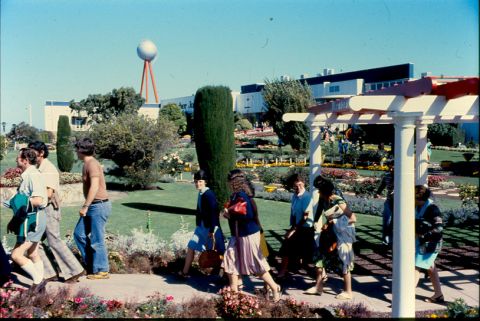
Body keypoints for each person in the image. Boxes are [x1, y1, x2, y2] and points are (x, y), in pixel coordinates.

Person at [28, 141, 86, 283]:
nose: (29, 154)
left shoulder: (48, 168)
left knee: (54, 240)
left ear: (41, 153)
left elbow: (48, 193)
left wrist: (28, 199)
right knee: (32, 241)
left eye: (32, 151)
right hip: (40, 209)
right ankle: (48, 273)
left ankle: (75, 271)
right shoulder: (40, 168)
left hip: (49, 209)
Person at [221, 169, 281, 302]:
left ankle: (275, 287)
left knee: (256, 264)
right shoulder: (236, 196)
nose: (228, 184)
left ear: (234, 182)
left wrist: (229, 213)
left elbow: (247, 215)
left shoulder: (242, 196)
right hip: (237, 236)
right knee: (230, 259)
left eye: (230, 181)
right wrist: (229, 213)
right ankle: (234, 293)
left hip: (248, 235)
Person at [306, 178, 356, 300]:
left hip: (341, 235)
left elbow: (353, 218)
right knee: (319, 257)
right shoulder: (324, 199)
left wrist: (334, 223)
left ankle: (348, 291)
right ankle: (318, 286)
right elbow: (318, 213)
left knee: (344, 261)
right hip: (329, 233)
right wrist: (314, 226)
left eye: (320, 191)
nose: (318, 193)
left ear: (325, 191)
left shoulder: (338, 200)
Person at [7, 148, 48, 288]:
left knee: (16, 255)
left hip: (33, 220)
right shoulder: (28, 175)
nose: (15, 160)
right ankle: (40, 286)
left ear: (25, 161)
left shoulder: (33, 175)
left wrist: (18, 201)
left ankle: (39, 282)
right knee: (33, 253)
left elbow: (38, 200)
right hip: (30, 218)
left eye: (18, 158)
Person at [73, 138, 112, 280]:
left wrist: (85, 206)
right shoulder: (87, 163)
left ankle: (102, 270)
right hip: (94, 205)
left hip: (98, 206)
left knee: (97, 239)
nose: (75, 152)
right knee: (79, 234)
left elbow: (95, 187)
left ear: (81, 150)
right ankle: (92, 265)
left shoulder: (92, 164)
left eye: (77, 149)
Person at [178, 170, 225, 278]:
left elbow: (214, 213)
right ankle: (185, 272)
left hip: (210, 228)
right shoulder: (201, 193)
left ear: (205, 182)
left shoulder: (209, 194)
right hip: (201, 228)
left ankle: (227, 276)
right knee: (191, 246)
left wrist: (212, 230)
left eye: (200, 181)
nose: (197, 183)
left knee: (221, 251)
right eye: (195, 181)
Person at [276, 173, 314, 279]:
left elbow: (305, 217)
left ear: (304, 184)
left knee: (289, 248)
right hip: (297, 226)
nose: (298, 187)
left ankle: (283, 271)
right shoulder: (294, 196)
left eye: (300, 185)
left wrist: (294, 230)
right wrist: (291, 227)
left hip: (305, 228)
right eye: (295, 186)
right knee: (289, 247)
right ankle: (288, 269)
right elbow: (293, 213)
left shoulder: (307, 197)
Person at [414, 185, 444, 303]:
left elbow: (439, 228)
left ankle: (406, 297)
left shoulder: (432, 209)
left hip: (431, 244)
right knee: (431, 268)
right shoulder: (417, 207)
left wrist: (422, 236)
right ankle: (438, 294)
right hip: (422, 243)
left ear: (418, 198)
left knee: (415, 267)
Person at [375, 161, 394, 246]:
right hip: (389, 200)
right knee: (387, 221)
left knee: (396, 222)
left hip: (400, 202)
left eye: (392, 167)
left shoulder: (402, 175)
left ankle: (395, 240)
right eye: (389, 167)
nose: (390, 169)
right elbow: (382, 185)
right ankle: (386, 240)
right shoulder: (387, 175)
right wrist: (378, 193)